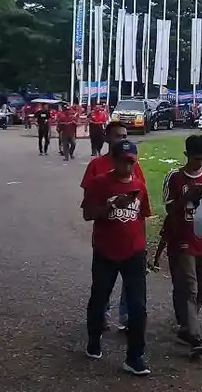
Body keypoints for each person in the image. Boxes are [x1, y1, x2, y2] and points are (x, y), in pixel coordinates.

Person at [82, 139, 152, 376]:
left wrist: (143, 249)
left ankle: (135, 356)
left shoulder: (140, 187)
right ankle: (93, 341)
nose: (128, 167)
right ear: (113, 160)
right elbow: (88, 214)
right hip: (105, 251)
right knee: (99, 298)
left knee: (138, 306)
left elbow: (142, 218)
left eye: (131, 162)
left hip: (134, 252)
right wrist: (110, 208)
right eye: (123, 162)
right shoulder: (99, 184)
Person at [164, 134, 202, 358]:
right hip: (182, 238)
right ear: (187, 155)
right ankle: (195, 338)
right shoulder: (176, 178)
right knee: (190, 286)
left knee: (200, 288)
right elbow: (169, 209)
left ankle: (186, 325)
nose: (200, 163)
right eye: (196, 159)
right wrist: (189, 196)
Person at [80, 121, 139, 331]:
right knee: (103, 283)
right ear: (107, 138)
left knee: (131, 283)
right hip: (105, 235)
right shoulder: (97, 166)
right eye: (117, 136)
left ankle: (126, 316)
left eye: (125, 136)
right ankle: (101, 315)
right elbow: (89, 201)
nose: (122, 140)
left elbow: (139, 194)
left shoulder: (132, 164)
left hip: (129, 234)